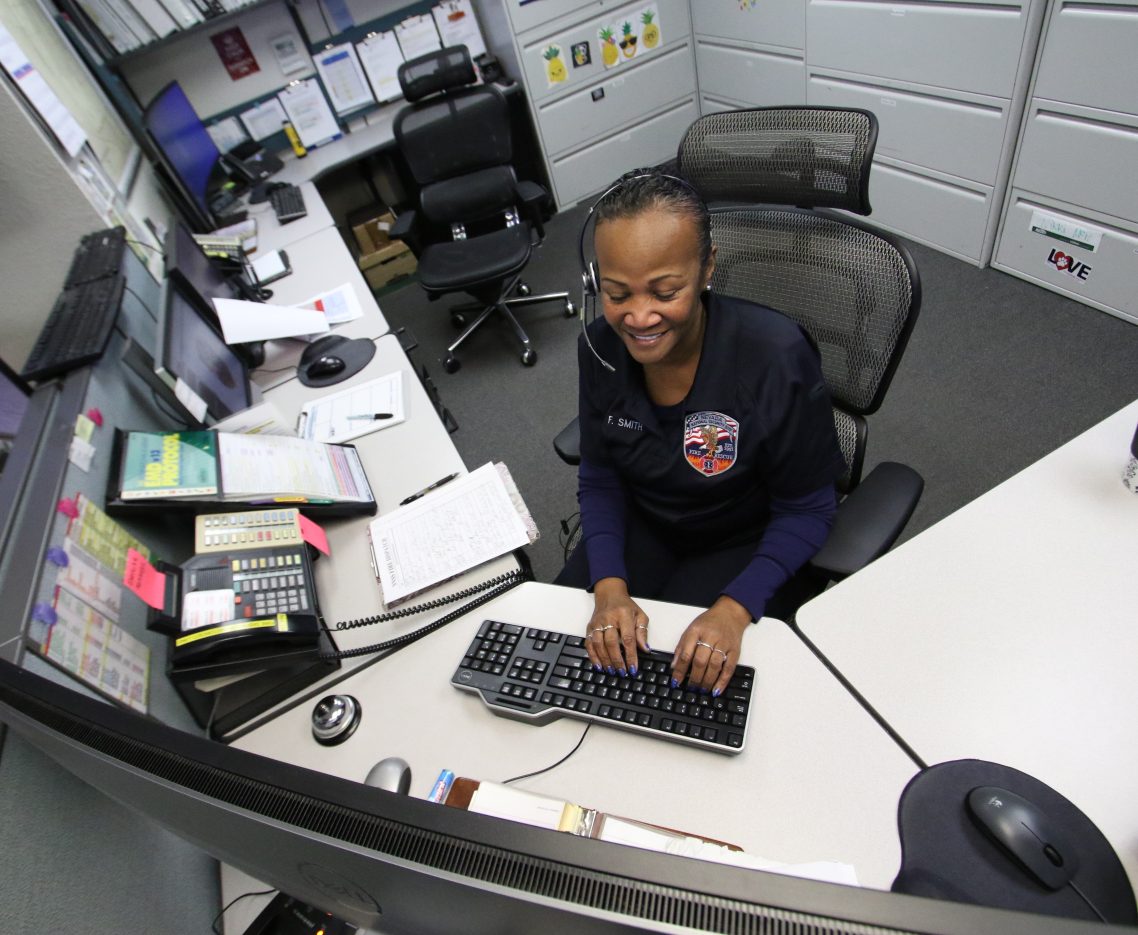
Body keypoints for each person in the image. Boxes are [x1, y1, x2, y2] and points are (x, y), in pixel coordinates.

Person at [554, 170, 846, 698]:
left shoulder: (774, 356)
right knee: (557, 645)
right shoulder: (598, 347)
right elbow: (600, 475)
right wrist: (610, 586)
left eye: (665, 291)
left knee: (681, 686)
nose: (639, 316)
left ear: (708, 267)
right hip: (647, 524)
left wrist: (735, 611)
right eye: (617, 294)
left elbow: (808, 508)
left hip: (743, 537)